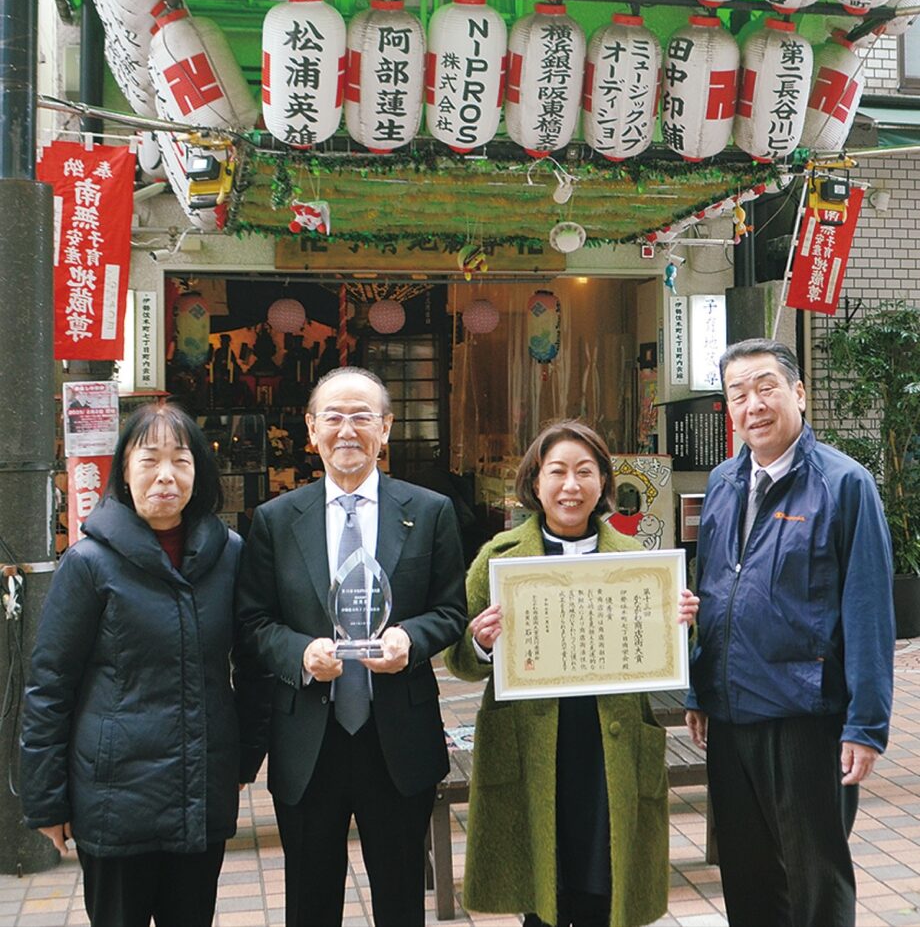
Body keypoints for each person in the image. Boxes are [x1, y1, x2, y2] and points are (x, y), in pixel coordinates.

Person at [21, 402, 268, 927]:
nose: (165, 475)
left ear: (199, 473)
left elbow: (253, 665)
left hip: (201, 792)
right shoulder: (89, 563)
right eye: (148, 460)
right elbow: (49, 685)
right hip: (113, 799)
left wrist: (243, 760)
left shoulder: (230, 555)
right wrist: (47, 804)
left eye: (181, 460)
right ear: (123, 472)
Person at [236, 366, 467, 927]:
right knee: (310, 901)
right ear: (312, 430)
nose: (347, 430)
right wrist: (299, 654)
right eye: (333, 417)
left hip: (397, 739)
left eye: (362, 416)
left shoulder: (430, 511)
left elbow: (450, 611)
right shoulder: (273, 520)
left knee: (400, 897)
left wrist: (411, 640)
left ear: (385, 429)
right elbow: (253, 621)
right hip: (309, 741)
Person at [445, 419, 698, 927]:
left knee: (607, 883)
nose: (571, 485)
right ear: (535, 482)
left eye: (585, 472)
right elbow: (459, 660)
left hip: (610, 744)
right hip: (533, 744)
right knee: (544, 888)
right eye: (556, 471)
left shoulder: (638, 561)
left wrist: (682, 625)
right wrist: (481, 641)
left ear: (604, 482)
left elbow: (666, 661)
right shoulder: (497, 560)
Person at [685, 338, 895, 927]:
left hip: (808, 717)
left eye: (766, 387)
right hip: (730, 716)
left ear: (798, 392)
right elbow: (713, 593)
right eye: (738, 394)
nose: (753, 404)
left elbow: (870, 612)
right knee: (748, 878)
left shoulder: (843, 484)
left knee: (814, 880)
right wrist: (700, 689)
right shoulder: (724, 482)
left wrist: (866, 725)